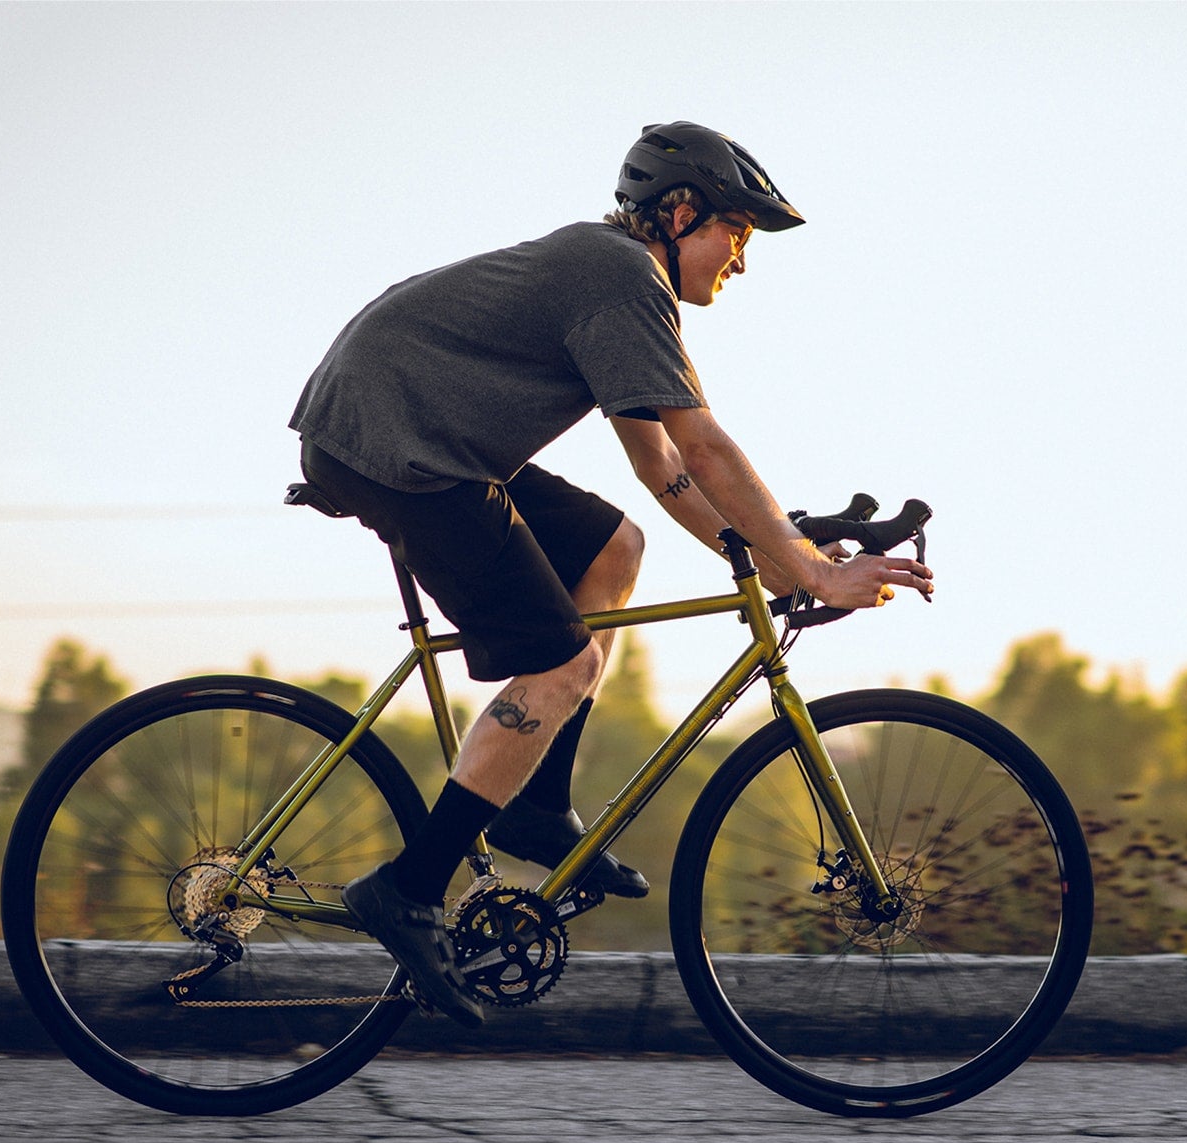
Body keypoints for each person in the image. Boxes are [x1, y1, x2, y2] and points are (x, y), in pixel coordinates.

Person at [288, 121, 933, 1024]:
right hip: (399, 446)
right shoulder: (623, 277)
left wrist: (777, 554)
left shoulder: (616, 282)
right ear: (678, 211)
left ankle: (534, 809)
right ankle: (408, 888)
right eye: (735, 234)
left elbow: (664, 468)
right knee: (563, 664)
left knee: (613, 549)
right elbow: (705, 447)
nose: (740, 261)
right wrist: (809, 575)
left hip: (426, 434)